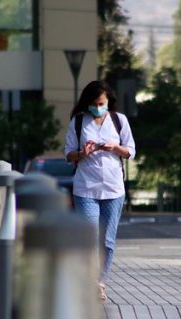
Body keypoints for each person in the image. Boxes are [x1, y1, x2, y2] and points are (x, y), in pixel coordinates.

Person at [65, 80, 136, 301]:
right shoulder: (78, 122)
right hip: (86, 188)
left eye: (102, 103)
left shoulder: (118, 120)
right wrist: (82, 153)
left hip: (114, 189)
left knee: (107, 240)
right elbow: (68, 154)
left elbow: (131, 151)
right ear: (87, 103)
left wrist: (115, 148)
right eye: (94, 103)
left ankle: (100, 282)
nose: (98, 106)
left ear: (108, 102)